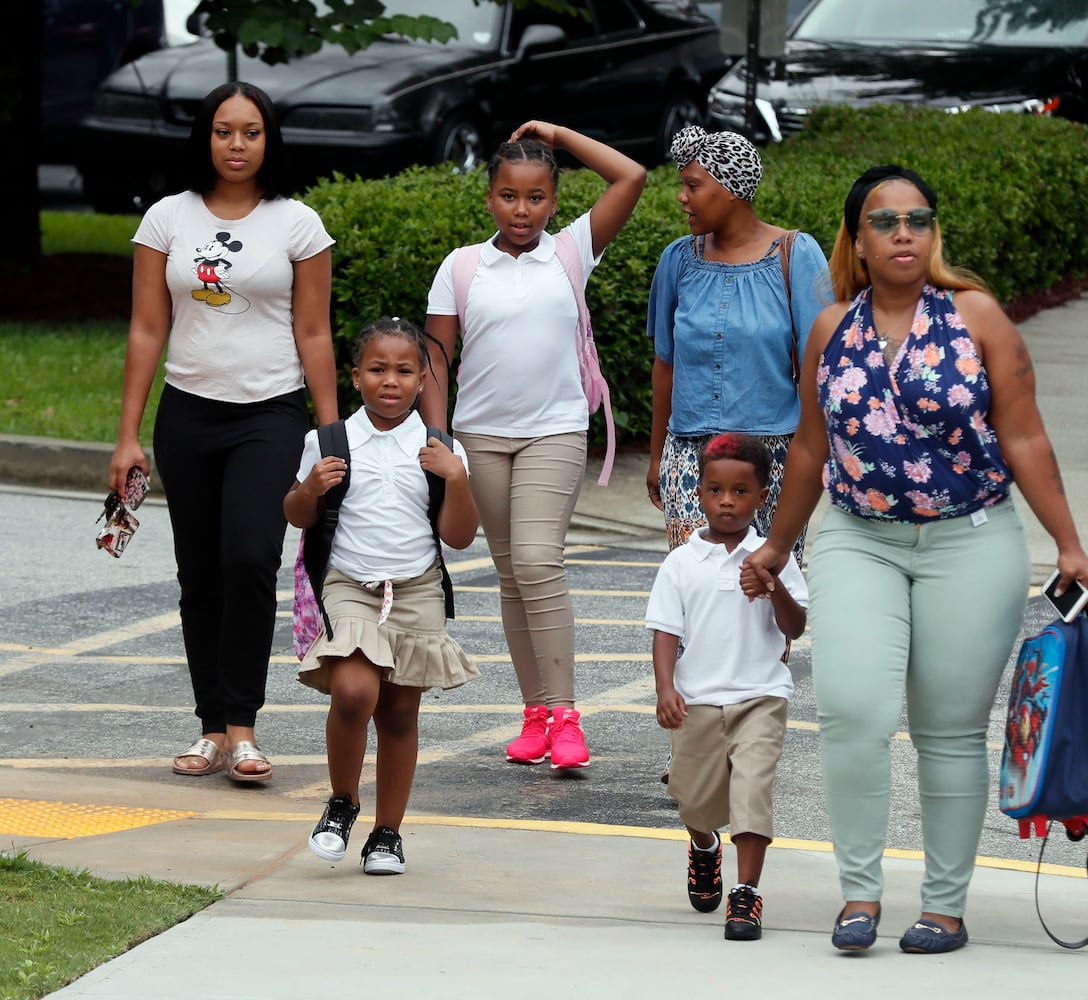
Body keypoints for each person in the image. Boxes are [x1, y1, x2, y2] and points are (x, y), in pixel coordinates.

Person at [741, 164, 1088, 955]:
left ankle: (944, 905)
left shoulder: (977, 317)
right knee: (854, 712)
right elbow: (808, 446)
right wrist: (774, 544)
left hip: (970, 538)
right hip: (857, 534)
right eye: (884, 220)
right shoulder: (832, 327)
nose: (904, 231)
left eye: (918, 218)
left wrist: (1068, 542)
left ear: (933, 235)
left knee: (947, 728)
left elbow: (1026, 435)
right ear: (857, 241)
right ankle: (859, 894)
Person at [109, 81, 338, 783]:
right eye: (223, 131)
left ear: (270, 140)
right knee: (198, 574)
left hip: (269, 414)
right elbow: (148, 328)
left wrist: (330, 433)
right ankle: (212, 729)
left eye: (251, 132)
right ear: (204, 138)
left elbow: (314, 331)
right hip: (188, 414)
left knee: (248, 557)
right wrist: (127, 436)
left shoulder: (298, 222)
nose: (237, 145)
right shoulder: (166, 219)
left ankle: (245, 726)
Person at [422, 121, 646, 771]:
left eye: (537, 197)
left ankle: (568, 715)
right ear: (489, 197)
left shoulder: (573, 249)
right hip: (480, 436)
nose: (523, 210)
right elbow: (436, 359)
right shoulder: (462, 266)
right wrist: (439, 437)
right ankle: (536, 714)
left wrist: (557, 134)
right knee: (512, 574)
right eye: (509, 196)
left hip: (555, 429)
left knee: (538, 561)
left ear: (554, 201)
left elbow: (630, 175)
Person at [284, 317, 479, 874]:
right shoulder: (327, 441)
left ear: (422, 380)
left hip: (417, 589)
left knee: (398, 713)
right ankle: (342, 802)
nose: (389, 381)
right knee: (352, 690)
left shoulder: (440, 447)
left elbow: (459, 536)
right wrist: (309, 488)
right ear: (356, 377)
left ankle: (387, 835)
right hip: (350, 585)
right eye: (376, 369)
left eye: (403, 371)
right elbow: (297, 514)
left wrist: (458, 478)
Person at [645, 433, 808, 942]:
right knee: (693, 801)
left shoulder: (773, 556)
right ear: (700, 492)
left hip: (760, 694)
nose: (727, 502)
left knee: (753, 789)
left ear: (762, 497)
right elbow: (666, 629)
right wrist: (666, 688)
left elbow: (795, 627)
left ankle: (747, 893)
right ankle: (705, 847)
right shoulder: (681, 563)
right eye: (715, 490)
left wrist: (771, 583)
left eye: (740, 492)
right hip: (696, 699)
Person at [646, 124, 829, 558]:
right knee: (697, 588)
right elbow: (665, 365)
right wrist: (657, 457)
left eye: (692, 185)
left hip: (775, 458)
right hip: (690, 457)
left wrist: (816, 457)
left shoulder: (796, 255)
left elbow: (819, 370)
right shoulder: (677, 260)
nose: (681, 196)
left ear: (731, 190)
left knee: (766, 589)